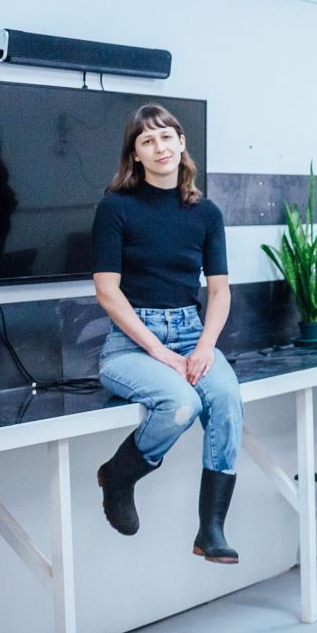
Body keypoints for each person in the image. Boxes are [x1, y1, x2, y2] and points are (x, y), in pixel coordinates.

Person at [91, 103, 243, 564]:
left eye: (166, 136)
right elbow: (106, 292)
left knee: (227, 402)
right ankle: (119, 476)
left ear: (181, 144)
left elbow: (219, 292)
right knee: (181, 403)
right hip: (131, 345)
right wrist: (160, 352)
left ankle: (210, 528)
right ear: (135, 155)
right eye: (147, 140)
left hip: (192, 335)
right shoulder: (115, 207)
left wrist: (203, 348)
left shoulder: (205, 213)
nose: (159, 147)